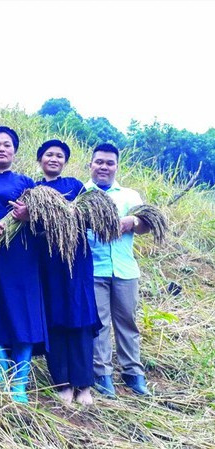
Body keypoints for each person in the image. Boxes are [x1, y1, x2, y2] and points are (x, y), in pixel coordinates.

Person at [0, 126, 48, 403]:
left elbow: (43, 216)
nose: (1, 149)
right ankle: (1, 376)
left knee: (22, 315)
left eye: (7, 145)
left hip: (20, 257)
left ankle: (20, 385)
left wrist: (28, 214)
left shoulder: (26, 182)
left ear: (14, 151)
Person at [36, 139, 101, 405]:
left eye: (59, 155)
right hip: (48, 263)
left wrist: (67, 213)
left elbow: (91, 215)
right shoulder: (34, 189)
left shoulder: (76, 186)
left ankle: (83, 385)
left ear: (65, 161)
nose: (54, 159)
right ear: (40, 160)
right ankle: (62, 383)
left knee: (81, 318)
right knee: (55, 319)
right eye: (49, 154)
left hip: (76, 262)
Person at [85, 143, 151, 397]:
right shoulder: (82, 193)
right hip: (94, 269)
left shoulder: (130, 196)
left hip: (125, 270)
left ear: (116, 166)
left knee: (127, 322)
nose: (104, 167)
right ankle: (103, 375)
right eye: (99, 162)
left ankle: (133, 373)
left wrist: (132, 221)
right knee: (99, 324)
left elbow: (147, 224)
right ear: (90, 164)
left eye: (109, 163)